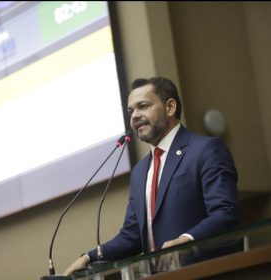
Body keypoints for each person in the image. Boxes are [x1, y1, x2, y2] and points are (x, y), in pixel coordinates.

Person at [64, 76, 241, 275]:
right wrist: (89, 257)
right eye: (131, 111)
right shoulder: (140, 171)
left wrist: (185, 241)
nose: (134, 116)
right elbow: (131, 237)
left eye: (143, 106)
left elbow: (226, 213)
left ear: (170, 107)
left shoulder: (205, 150)